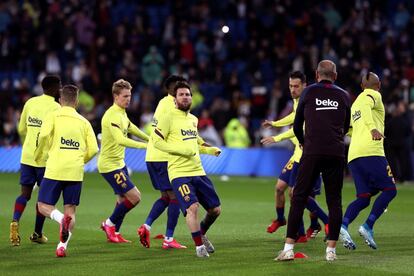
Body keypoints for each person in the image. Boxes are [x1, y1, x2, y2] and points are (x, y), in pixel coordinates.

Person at [276, 60, 351, 262]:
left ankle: (289, 249)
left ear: (317, 75)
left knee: (299, 197)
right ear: (334, 76)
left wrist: (304, 142)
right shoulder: (344, 95)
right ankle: (331, 252)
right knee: (334, 200)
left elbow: (297, 124)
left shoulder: (308, 93)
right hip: (336, 153)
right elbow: (346, 126)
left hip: (312, 151)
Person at [151, 81, 222, 258]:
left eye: (188, 94)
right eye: (181, 94)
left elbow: (196, 142)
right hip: (179, 173)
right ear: (175, 99)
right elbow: (157, 141)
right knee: (193, 207)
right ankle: (199, 247)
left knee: (215, 210)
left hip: (198, 171)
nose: (185, 97)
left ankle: (201, 233)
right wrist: (178, 150)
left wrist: (210, 149)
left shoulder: (193, 119)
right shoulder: (167, 117)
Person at [261, 71, 329, 241]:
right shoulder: (298, 100)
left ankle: (322, 223)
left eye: (296, 86)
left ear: (304, 85)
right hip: (297, 153)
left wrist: (276, 137)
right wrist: (275, 123)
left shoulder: (309, 100)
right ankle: (283, 220)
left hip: (309, 154)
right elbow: (294, 117)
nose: (292, 89)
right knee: (280, 188)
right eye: (290, 86)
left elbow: (299, 127)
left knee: (300, 195)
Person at [35, 84, 98, 257]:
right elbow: (93, 150)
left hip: (55, 168)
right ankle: (62, 246)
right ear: (76, 101)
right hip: (75, 171)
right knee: (71, 210)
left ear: (60, 100)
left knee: (42, 206)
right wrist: (80, 160)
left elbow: (44, 136)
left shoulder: (53, 116)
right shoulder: (84, 122)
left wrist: (39, 154)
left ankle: (60, 219)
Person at [339, 72, 397, 250]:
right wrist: (372, 129)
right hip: (371, 151)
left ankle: (343, 226)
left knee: (364, 197)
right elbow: (366, 108)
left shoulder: (355, 103)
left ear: (362, 86)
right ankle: (367, 226)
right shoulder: (372, 95)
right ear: (378, 85)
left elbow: (348, 128)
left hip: (354, 156)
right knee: (390, 190)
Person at [10, 75, 61, 246]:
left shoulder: (30, 102)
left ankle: (15, 221)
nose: (60, 90)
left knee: (24, 194)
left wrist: (28, 144)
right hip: (44, 160)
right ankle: (37, 233)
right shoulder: (56, 107)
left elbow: (21, 128)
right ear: (54, 88)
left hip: (27, 156)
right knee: (44, 200)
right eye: (59, 86)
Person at [138, 75, 188, 249]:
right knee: (174, 197)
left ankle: (146, 226)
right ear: (170, 89)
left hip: (152, 156)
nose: (181, 92)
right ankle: (169, 238)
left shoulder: (161, 103)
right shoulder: (172, 106)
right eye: (178, 88)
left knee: (165, 197)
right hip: (163, 157)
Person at [99, 79, 148, 243]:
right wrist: (144, 146)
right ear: (115, 96)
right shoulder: (112, 115)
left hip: (119, 163)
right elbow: (121, 140)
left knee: (122, 200)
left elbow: (131, 127)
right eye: (125, 96)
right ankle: (108, 224)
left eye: (130, 96)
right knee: (135, 197)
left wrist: (151, 139)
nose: (128, 99)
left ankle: (115, 233)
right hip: (110, 166)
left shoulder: (121, 113)